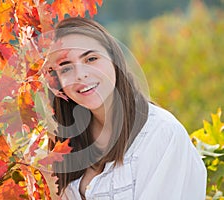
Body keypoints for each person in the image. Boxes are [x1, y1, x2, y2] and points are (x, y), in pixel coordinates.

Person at [44, 17, 207, 200]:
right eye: (66, 69)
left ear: (114, 58)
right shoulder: (62, 144)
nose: (81, 75)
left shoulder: (161, 135)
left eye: (91, 59)